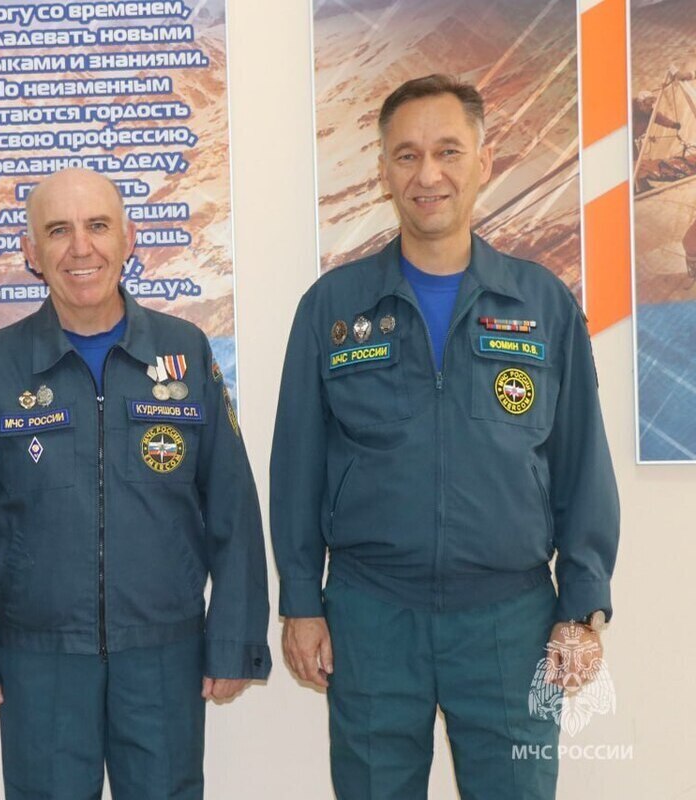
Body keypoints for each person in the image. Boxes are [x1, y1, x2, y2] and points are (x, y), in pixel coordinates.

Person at [271, 75, 619, 799]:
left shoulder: (543, 303)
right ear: (384, 170)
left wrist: (581, 606)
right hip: (371, 616)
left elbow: (582, 463)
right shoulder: (333, 309)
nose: (428, 174)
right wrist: (301, 601)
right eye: (407, 155)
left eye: (448, 152)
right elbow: (296, 469)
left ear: (483, 162)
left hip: (510, 620)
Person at [0, 167, 271, 799]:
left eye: (97, 226)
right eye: (57, 231)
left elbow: (233, 503)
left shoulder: (185, 351)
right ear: (30, 251)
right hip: (39, 656)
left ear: (128, 238)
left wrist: (234, 634)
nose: (81, 248)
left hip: (163, 651)